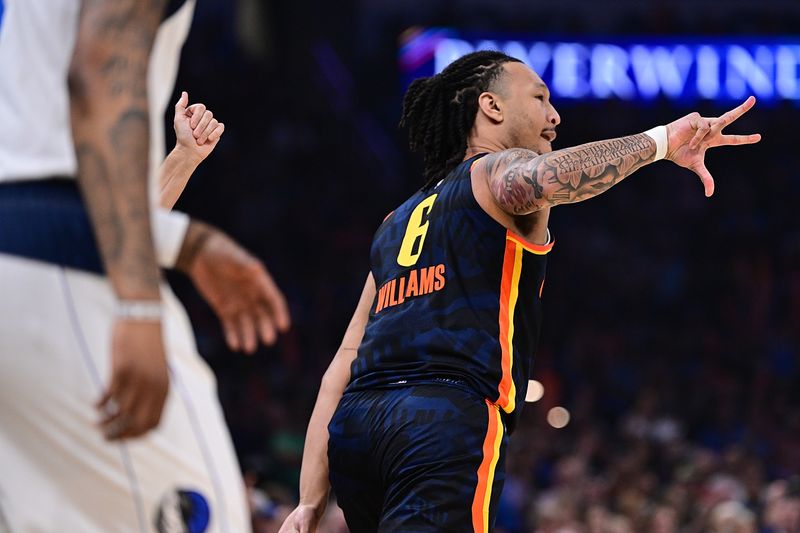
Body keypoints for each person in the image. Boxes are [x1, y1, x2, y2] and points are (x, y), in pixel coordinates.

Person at [278, 50, 761, 533]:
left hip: (357, 429)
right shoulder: (494, 173)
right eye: (540, 98)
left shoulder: (394, 221)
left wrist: (309, 499)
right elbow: (546, 178)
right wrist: (659, 141)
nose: (555, 116)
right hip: (441, 418)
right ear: (491, 107)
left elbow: (344, 359)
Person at [0, 1, 287, 532]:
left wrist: (181, 176)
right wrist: (137, 302)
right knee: (214, 518)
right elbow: (99, 69)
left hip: (29, 263)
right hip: (59, 266)